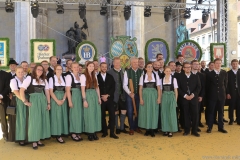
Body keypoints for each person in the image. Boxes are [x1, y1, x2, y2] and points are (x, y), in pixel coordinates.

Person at [20, 65, 51, 149]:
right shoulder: (29, 78)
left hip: (42, 100)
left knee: (42, 119)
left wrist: (48, 103)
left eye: (41, 70)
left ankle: (38, 139)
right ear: (35, 70)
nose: (40, 71)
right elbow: (22, 90)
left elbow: (47, 92)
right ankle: (34, 140)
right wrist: (24, 101)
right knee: (34, 120)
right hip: (34, 100)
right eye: (38, 69)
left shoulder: (44, 79)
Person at [178, 62, 201, 137]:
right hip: (184, 99)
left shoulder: (195, 76)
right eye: (186, 67)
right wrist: (185, 95)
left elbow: (198, 87)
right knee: (185, 115)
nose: (188, 68)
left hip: (193, 99)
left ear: (191, 68)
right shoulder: (180, 77)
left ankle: (194, 130)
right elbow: (178, 88)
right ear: (183, 68)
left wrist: (193, 95)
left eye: (189, 67)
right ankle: (187, 130)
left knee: (195, 114)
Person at [138, 62, 161, 137]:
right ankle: (147, 129)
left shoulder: (156, 76)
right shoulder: (143, 77)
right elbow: (140, 88)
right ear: (146, 68)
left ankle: (152, 129)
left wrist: (159, 97)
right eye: (148, 66)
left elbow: (158, 88)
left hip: (154, 95)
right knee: (146, 111)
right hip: (145, 95)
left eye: (151, 66)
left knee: (153, 111)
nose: (150, 68)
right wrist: (141, 98)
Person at [80, 62, 102, 141]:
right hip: (88, 94)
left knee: (95, 113)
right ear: (87, 67)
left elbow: (97, 88)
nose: (91, 67)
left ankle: (94, 132)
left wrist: (99, 98)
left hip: (94, 95)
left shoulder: (94, 75)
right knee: (89, 114)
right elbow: (82, 89)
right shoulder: (83, 76)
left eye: (93, 66)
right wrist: (84, 100)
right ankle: (90, 133)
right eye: (90, 66)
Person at [206, 58, 228, 134]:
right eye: (217, 63)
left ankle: (221, 127)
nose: (218, 65)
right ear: (214, 64)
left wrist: (225, 93)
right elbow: (207, 86)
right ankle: (209, 127)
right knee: (211, 112)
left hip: (221, 96)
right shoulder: (209, 74)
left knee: (221, 112)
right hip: (212, 96)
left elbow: (225, 84)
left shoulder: (224, 73)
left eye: (219, 63)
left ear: (221, 64)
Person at [97, 62, 118, 139]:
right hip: (101, 99)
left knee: (112, 116)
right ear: (100, 67)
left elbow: (113, 87)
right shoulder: (97, 77)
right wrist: (101, 97)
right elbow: (96, 88)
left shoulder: (110, 77)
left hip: (110, 99)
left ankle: (112, 133)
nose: (104, 68)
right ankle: (104, 132)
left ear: (107, 67)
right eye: (102, 67)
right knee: (102, 116)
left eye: (105, 67)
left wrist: (108, 95)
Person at [108, 57, 128, 134]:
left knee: (123, 111)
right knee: (115, 111)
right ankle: (117, 128)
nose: (117, 64)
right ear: (113, 63)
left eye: (119, 63)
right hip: (114, 95)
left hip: (122, 95)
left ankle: (122, 127)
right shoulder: (109, 72)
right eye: (116, 63)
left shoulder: (123, 71)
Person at [123, 57, 143, 135]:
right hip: (129, 95)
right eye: (134, 62)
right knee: (130, 111)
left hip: (138, 94)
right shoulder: (127, 71)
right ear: (131, 63)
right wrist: (129, 93)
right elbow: (124, 85)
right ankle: (131, 127)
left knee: (138, 111)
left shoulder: (141, 72)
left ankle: (136, 126)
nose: (136, 64)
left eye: (137, 62)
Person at [49, 65, 68, 143]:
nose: (59, 70)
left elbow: (67, 90)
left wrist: (63, 99)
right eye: (58, 69)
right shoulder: (52, 79)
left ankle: (61, 132)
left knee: (62, 116)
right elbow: (50, 91)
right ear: (55, 70)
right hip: (55, 99)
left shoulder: (64, 78)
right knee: (56, 116)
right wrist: (57, 100)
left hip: (63, 99)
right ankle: (57, 134)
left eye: (61, 69)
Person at [65, 62, 84, 141]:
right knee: (74, 115)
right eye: (75, 67)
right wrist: (70, 101)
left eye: (77, 67)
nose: (76, 68)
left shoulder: (80, 76)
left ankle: (78, 131)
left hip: (80, 96)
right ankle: (73, 133)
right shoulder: (69, 76)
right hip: (74, 97)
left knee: (79, 115)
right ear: (71, 68)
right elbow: (67, 90)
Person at [9, 67, 26, 145]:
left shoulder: (25, 79)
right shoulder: (13, 80)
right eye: (19, 72)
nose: (21, 73)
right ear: (15, 72)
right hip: (17, 101)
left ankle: (25, 137)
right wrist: (24, 101)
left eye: (22, 72)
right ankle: (19, 138)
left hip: (24, 101)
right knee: (19, 120)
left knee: (25, 119)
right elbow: (16, 92)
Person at [161, 67, 178, 137]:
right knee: (164, 113)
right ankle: (165, 129)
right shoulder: (161, 79)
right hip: (164, 97)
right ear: (164, 72)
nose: (168, 72)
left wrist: (175, 100)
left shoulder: (174, 79)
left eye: (169, 71)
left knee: (171, 113)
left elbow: (176, 91)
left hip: (171, 96)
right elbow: (161, 91)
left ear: (171, 72)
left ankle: (171, 130)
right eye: (166, 71)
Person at [191, 60, 205, 130]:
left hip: (198, 96)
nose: (196, 65)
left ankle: (196, 125)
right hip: (189, 96)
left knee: (197, 111)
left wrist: (201, 96)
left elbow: (203, 87)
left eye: (197, 64)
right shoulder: (187, 73)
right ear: (191, 65)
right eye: (194, 64)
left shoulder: (201, 75)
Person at [226, 59, 240, 125]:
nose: (235, 65)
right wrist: (228, 93)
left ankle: (238, 119)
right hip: (231, 92)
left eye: (236, 64)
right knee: (231, 106)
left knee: (239, 106)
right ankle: (231, 119)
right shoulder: (228, 73)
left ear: (238, 64)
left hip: (239, 92)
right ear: (231, 64)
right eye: (233, 64)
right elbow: (226, 84)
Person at [0, 66, 11, 141]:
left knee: (3, 119)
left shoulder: (5, 74)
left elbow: (7, 87)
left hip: (2, 100)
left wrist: (0, 96)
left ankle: (5, 134)